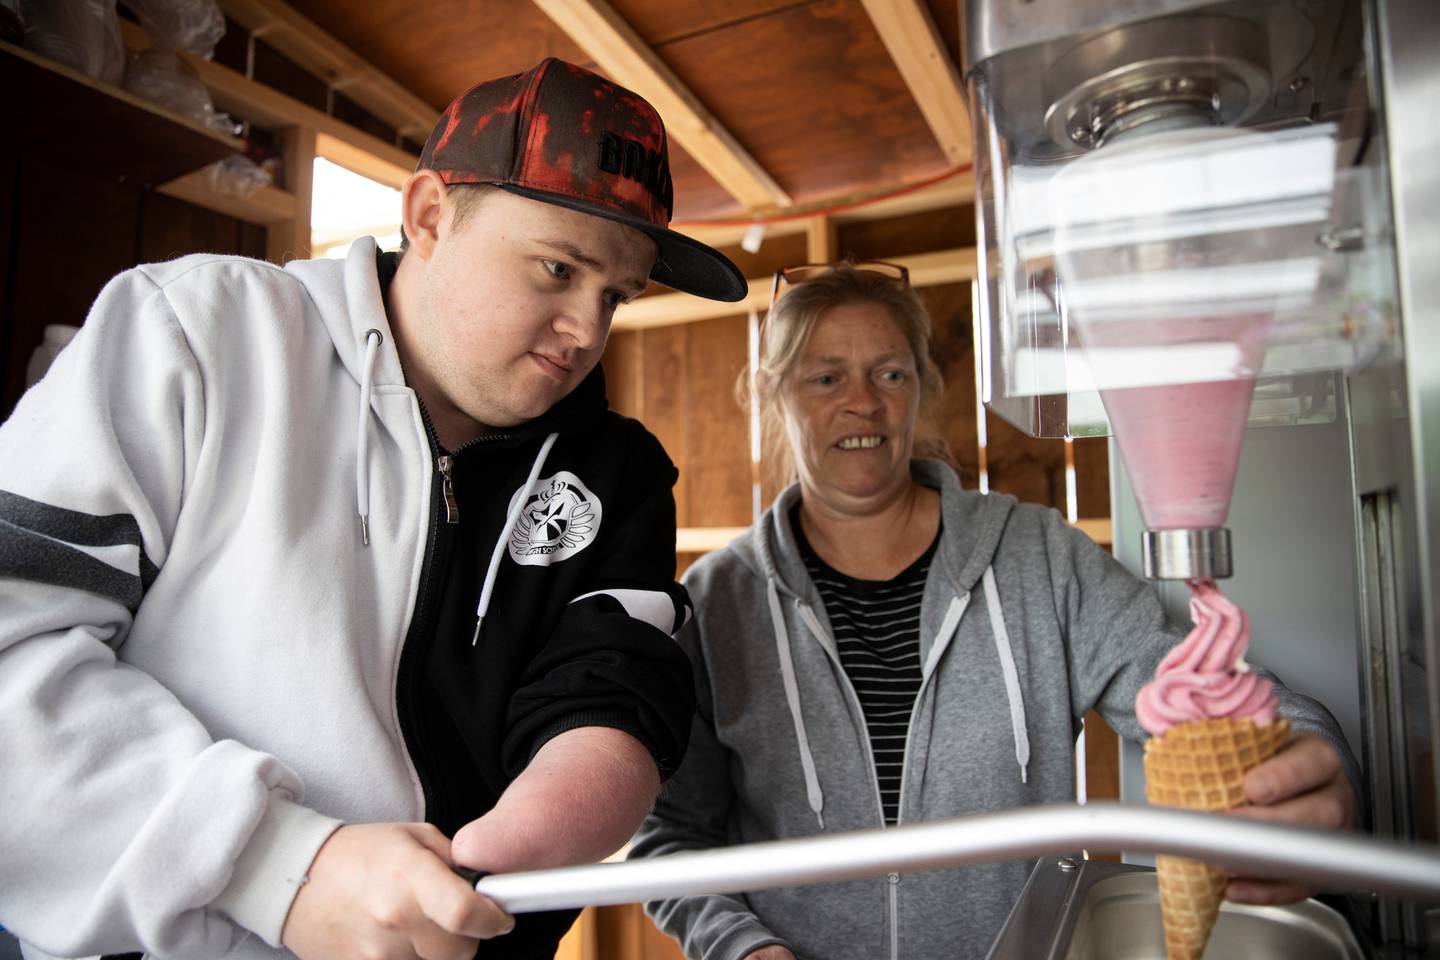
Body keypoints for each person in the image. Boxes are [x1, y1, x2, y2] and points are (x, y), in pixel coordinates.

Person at [0, 59, 747, 960]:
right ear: (431, 215)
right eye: (558, 268)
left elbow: (613, 689)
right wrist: (280, 869)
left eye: (615, 296)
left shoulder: (615, 470)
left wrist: (494, 860)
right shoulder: (199, 336)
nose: (587, 331)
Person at [628, 264, 1359, 960]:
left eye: (890, 373)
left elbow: (1196, 687)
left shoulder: (1039, 557)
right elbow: (672, 835)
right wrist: (742, 946)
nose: (864, 402)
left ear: (922, 388)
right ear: (775, 394)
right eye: (826, 377)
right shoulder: (718, 600)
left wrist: (1307, 755)